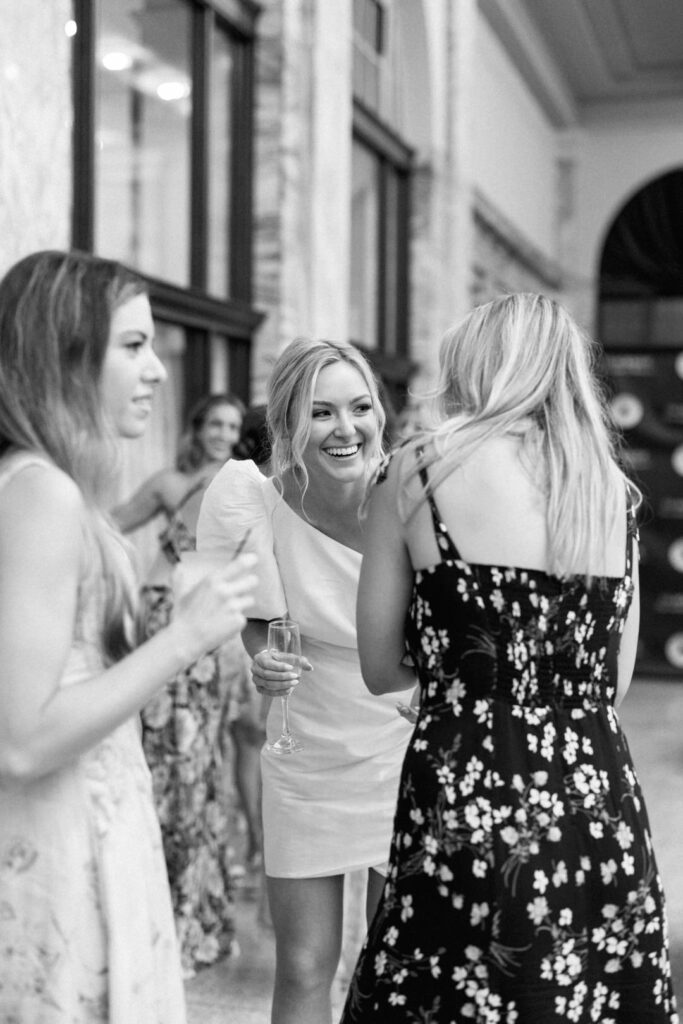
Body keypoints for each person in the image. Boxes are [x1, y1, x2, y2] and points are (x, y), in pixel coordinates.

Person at [339, 292, 679, 1023]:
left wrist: (464, 680)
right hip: (595, 801)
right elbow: (608, 686)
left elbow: (376, 665)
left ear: (476, 371)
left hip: (465, 789)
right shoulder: (611, 492)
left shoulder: (417, 471)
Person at [0, 249, 256, 1023]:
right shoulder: (40, 491)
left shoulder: (57, 487)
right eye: (133, 346)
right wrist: (182, 639)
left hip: (92, 827)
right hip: (56, 843)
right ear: (67, 354)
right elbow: (21, 741)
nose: (158, 373)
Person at [196, 338, 414, 1024]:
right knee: (303, 964)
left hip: (409, 742)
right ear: (290, 421)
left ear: (381, 413)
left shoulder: (415, 497)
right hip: (306, 748)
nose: (345, 429)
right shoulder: (253, 501)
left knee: (399, 961)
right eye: (321, 412)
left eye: (359, 408)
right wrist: (259, 658)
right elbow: (258, 620)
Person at [112, 392, 259, 975]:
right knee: (165, 758)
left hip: (211, 630)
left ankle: (193, 913)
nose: (223, 433)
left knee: (200, 763)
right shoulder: (170, 483)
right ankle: (161, 911)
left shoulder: (245, 487)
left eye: (231, 424)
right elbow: (110, 520)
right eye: (214, 423)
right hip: (161, 613)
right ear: (197, 430)